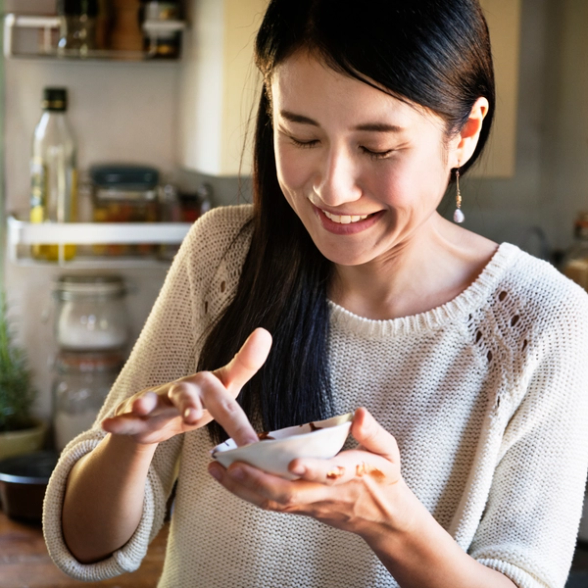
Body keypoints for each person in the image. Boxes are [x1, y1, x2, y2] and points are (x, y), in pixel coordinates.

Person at [43, 1, 588, 587]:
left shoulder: (543, 322)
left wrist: (391, 523)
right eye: (300, 135)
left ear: (466, 133)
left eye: (378, 148)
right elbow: (84, 544)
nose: (331, 187)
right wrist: (133, 445)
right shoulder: (222, 256)